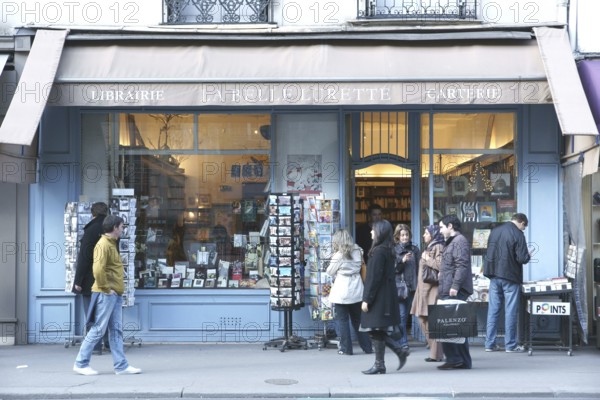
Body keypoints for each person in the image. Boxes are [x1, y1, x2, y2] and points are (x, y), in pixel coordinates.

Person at [73, 215, 142, 376]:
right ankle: (81, 363)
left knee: (116, 330)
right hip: (107, 294)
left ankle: (121, 365)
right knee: (98, 329)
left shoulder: (110, 243)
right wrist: (106, 288)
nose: (123, 229)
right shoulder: (104, 245)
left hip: (114, 293)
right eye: (122, 226)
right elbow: (97, 269)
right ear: (115, 228)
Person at [360, 219, 409, 375]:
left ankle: (384, 361)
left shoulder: (379, 251)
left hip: (378, 298)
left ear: (380, 232)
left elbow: (374, 278)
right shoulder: (387, 250)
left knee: (374, 329)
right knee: (377, 330)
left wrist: (367, 299)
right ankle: (388, 358)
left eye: (373, 229)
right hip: (385, 296)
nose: (371, 232)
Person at [484, 213, 531, 353]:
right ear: (521, 222)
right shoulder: (518, 234)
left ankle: (489, 344)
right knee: (510, 311)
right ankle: (510, 345)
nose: (524, 229)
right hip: (510, 276)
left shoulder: (495, 230)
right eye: (524, 227)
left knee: (493, 310)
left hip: (493, 275)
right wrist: (528, 256)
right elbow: (522, 258)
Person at [326, 229, 372, 356]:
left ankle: (346, 348)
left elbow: (329, 271)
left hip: (342, 290)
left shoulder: (339, 255)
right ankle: (367, 347)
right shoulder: (358, 250)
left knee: (343, 320)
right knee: (358, 320)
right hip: (357, 288)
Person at [72, 202, 110, 354]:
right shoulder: (111, 228)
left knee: (91, 313)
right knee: (106, 312)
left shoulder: (91, 229)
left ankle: (95, 346)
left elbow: (84, 258)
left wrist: (78, 281)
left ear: (93, 213)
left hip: (90, 279)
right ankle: (108, 343)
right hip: (108, 278)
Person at [437, 214, 473, 370]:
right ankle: (463, 361)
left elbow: (462, 265)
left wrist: (455, 286)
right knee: (457, 326)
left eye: (441, 227)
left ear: (450, 226)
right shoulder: (453, 241)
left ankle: (454, 359)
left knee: (449, 326)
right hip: (449, 287)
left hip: (453, 290)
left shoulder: (459, 241)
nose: (440, 230)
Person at [410, 224, 444, 363]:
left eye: (426, 233)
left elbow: (441, 265)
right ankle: (434, 349)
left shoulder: (438, 246)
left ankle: (436, 353)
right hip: (423, 289)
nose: (424, 235)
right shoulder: (431, 246)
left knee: (431, 321)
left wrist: (427, 258)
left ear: (433, 234)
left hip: (431, 289)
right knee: (422, 319)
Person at [393, 223, 420, 351]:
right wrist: (401, 261)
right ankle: (403, 342)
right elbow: (392, 270)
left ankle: (429, 341)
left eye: (407, 235)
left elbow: (420, 268)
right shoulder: (393, 250)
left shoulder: (415, 250)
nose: (405, 237)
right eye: (402, 235)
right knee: (402, 315)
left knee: (418, 314)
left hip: (413, 286)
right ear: (397, 237)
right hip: (400, 287)